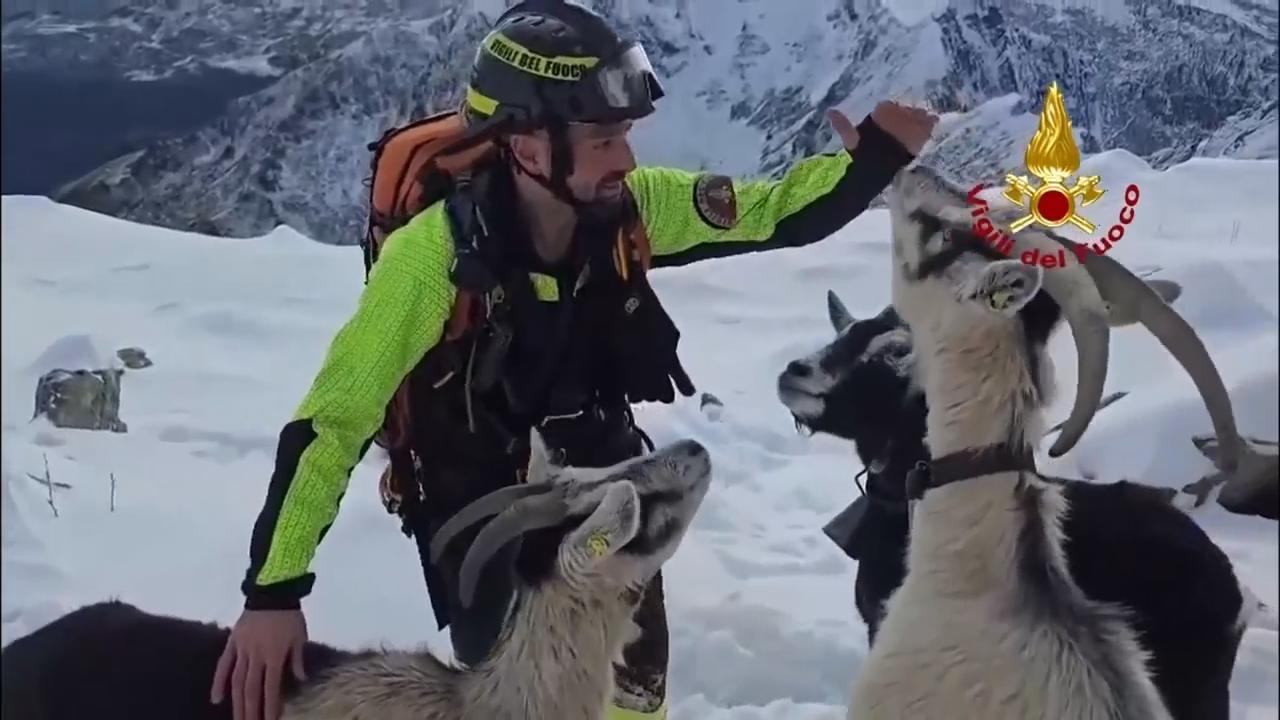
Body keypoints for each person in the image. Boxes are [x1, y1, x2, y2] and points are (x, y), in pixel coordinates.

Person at [208, 1, 937, 719]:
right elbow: (331, 424)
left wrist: (874, 156)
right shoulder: (430, 263)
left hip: (607, 482)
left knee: (631, 685)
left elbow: (772, 211)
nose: (626, 157)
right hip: (484, 514)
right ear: (527, 147)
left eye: (621, 133)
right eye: (602, 138)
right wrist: (273, 595)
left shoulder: (630, 208)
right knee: (522, 697)